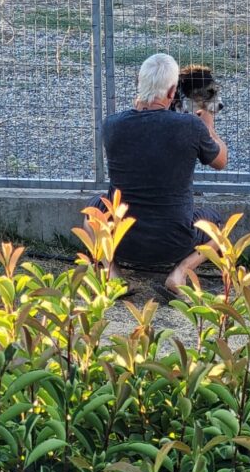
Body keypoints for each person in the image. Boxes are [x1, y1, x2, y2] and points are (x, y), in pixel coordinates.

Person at [89, 53, 228, 301]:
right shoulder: (190, 127)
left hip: (122, 240)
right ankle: (180, 273)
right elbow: (221, 162)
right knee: (219, 225)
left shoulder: (111, 126)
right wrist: (208, 127)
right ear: (173, 91)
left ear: (139, 84)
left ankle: (112, 273)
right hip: (175, 242)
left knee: (92, 211)